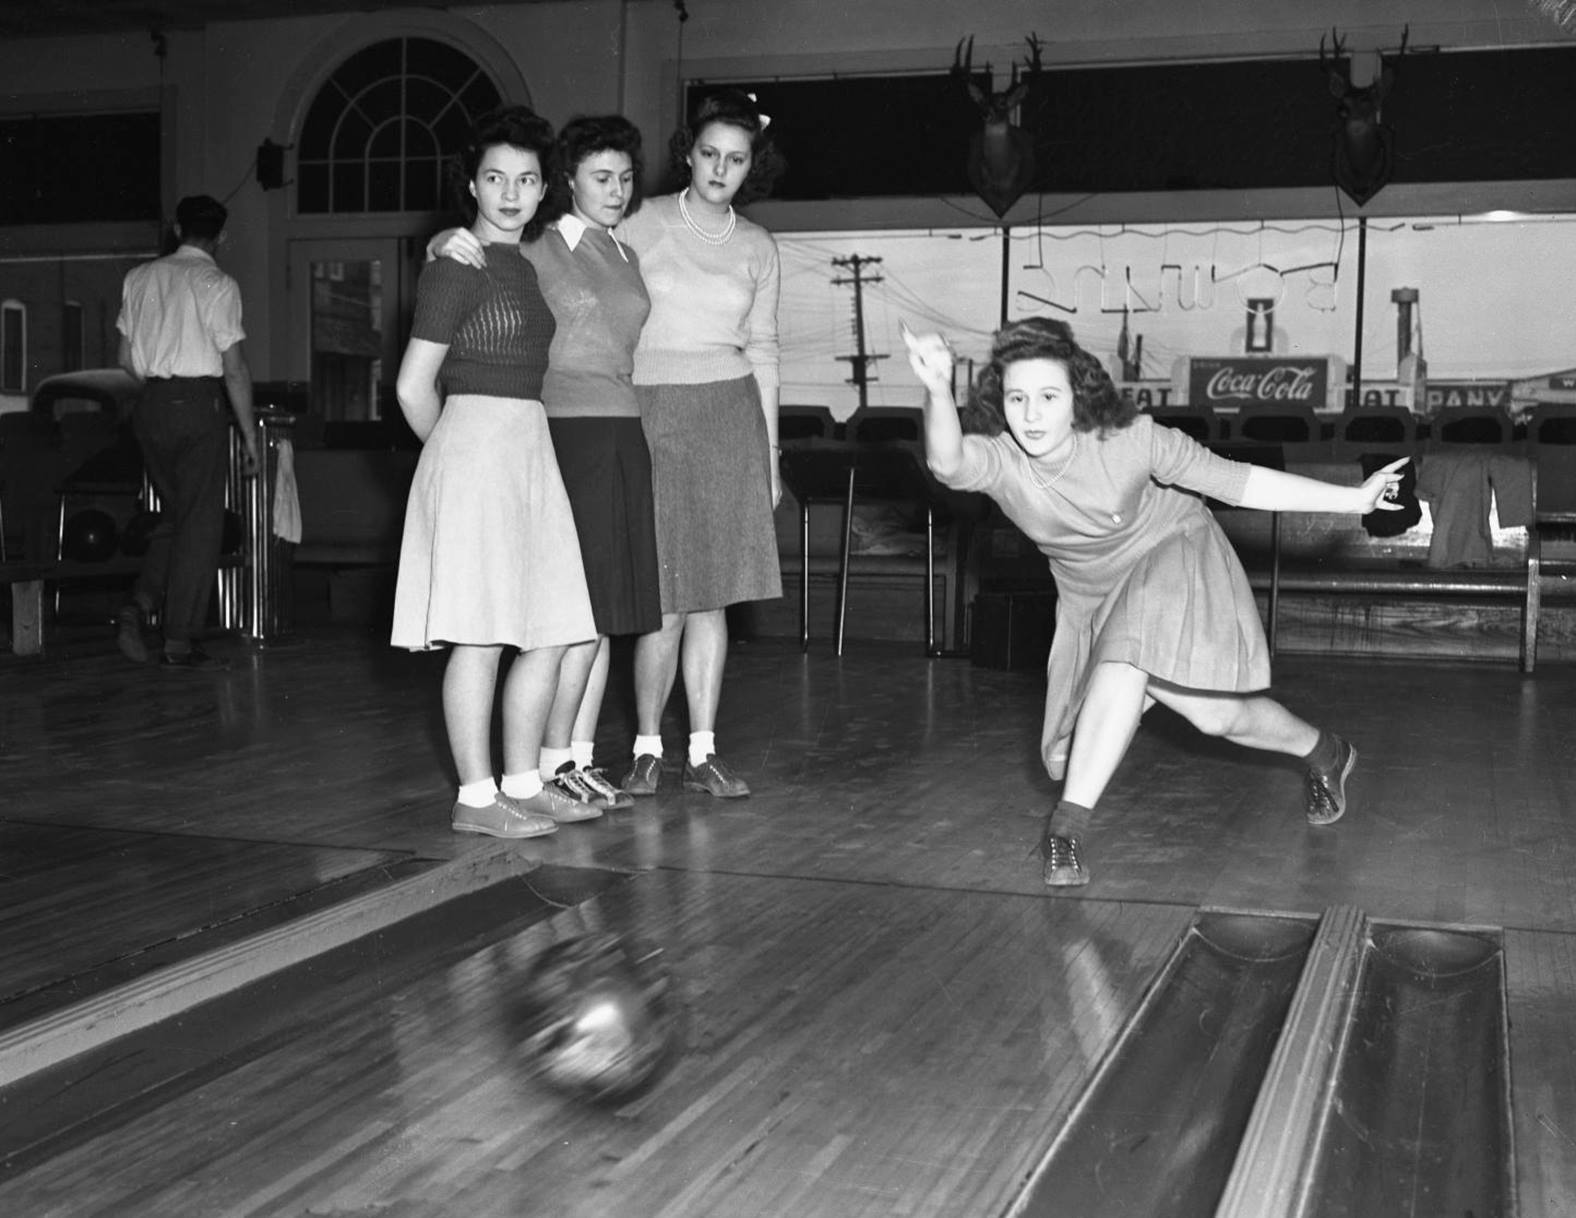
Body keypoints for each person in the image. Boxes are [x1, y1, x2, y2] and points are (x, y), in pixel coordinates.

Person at [903, 317, 1407, 887]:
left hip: (1172, 549)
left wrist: (1356, 499)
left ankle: (1064, 831)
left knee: (1127, 660)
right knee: (1214, 715)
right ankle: (1325, 751)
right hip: (1092, 590)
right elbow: (946, 463)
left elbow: (1237, 482)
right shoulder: (1002, 462)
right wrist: (937, 387)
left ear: (1079, 398)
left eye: (1049, 396)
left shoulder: (1133, 439)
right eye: (1018, 398)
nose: (1032, 413)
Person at [426, 115, 662, 814]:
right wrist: (445, 238)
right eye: (599, 177)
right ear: (565, 184)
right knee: (551, 619)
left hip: (616, 431)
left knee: (596, 616)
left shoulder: (624, 252)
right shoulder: (541, 240)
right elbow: (474, 245)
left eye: (625, 177)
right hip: (555, 431)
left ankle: (566, 762)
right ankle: (539, 772)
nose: (615, 189)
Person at [390, 105, 600, 840]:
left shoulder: (524, 259)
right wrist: (451, 457)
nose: (510, 193)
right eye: (494, 179)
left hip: (529, 449)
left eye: (527, 179)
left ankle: (522, 781)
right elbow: (413, 387)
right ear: (471, 186)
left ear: (546, 188)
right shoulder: (457, 264)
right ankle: (475, 799)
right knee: (479, 636)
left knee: (556, 627)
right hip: (479, 446)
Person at [617, 90, 784, 800]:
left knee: (712, 597)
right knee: (663, 599)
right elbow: (562, 261)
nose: (721, 169)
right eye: (710, 153)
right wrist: (451, 240)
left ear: (753, 167)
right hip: (651, 410)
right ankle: (648, 748)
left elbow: (766, 350)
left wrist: (770, 456)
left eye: (737, 159)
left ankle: (705, 749)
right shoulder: (640, 221)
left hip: (730, 416)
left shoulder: (758, 245)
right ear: (688, 151)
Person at [115, 193, 259, 671]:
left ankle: (140, 605)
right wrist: (250, 438)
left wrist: (161, 389)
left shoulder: (139, 277)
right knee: (200, 524)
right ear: (222, 236)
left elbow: (124, 362)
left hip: (150, 405)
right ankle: (179, 639)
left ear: (176, 229)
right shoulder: (218, 283)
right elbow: (234, 370)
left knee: (179, 515)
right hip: (199, 405)